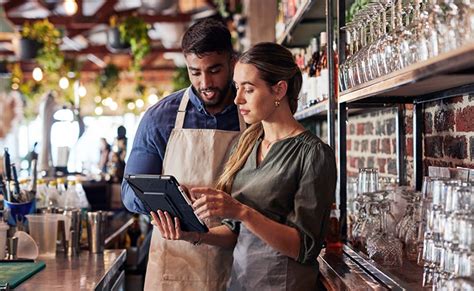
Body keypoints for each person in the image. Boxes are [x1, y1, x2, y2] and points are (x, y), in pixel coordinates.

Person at [151, 42, 337, 290]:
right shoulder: (247, 143)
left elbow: (304, 248)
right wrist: (192, 234)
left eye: (248, 89)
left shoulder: (313, 154)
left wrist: (242, 211)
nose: (237, 98)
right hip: (240, 282)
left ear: (279, 90)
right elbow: (235, 233)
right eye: (237, 87)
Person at [121, 18, 245, 290]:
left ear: (232, 61)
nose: (206, 83)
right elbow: (130, 193)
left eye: (214, 70)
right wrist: (168, 197)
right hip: (175, 265)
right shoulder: (159, 117)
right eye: (195, 72)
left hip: (240, 263)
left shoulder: (250, 112)